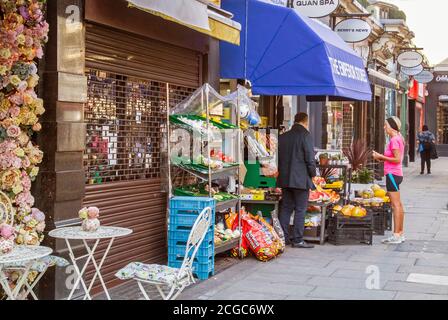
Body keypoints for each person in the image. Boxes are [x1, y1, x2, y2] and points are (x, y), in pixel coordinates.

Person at [277, 113, 316, 249]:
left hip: (285, 178)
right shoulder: (306, 136)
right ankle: (298, 239)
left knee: (286, 208)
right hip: (300, 179)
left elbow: (278, 159)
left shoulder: (283, 137)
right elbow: (310, 158)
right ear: (306, 121)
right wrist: (313, 174)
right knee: (300, 209)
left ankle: (283, 238)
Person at [372, 116, 406, 244]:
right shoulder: (397, 138)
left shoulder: (394, 140)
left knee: (395, 205)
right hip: (395, 174)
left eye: (385, 125)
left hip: (392, 175)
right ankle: (400, 233)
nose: (384, 127)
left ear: (391, 126)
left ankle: (396, 235)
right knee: (399, 205)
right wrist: (381, 158)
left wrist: (380, 156)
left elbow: (397, 159)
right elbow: (393, 158)